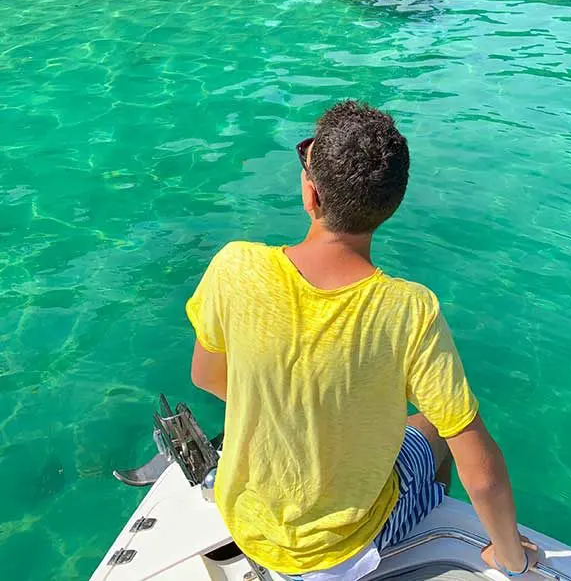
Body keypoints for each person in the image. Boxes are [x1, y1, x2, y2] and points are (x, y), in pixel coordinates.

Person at [187, 100, 537, 580]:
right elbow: (482, 468)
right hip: (342, 550)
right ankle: (421, 525)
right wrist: (509, 557)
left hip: (247, 523)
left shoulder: (235, 266)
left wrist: (292, 411)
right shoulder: (410, 309)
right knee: (433, 432)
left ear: (311, 194)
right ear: (390, 206)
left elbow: (205, 376)